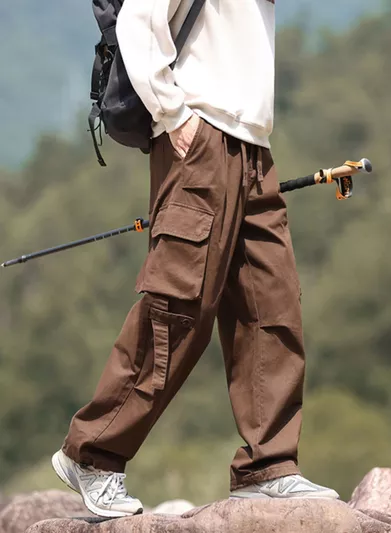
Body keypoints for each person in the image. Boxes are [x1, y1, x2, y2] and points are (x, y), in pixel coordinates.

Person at [51, 0, 339, 518]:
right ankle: (92, 453)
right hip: (199, 134)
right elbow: (140, 20)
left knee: (272, 306)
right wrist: (174, 114)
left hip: (253, 145)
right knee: (177, 307)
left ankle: (269, 466)